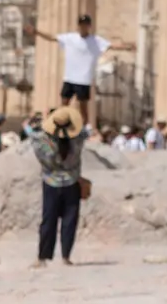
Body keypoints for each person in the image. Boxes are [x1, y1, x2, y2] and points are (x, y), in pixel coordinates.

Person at [30, 103, 86, 266]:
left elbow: (34, 135)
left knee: (48, 219)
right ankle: (66, 256)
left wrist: (44, 119)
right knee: (70, 220)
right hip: (71, 182)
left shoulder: (43, 142)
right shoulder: (77, 140)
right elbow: (81, 131)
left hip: (50, 182)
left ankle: (43, 257)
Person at [34, 15, 108, 109]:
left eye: (85, 25)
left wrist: (125, 46)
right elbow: (52, 38)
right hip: (70, 78)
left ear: (89, 26)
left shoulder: (95, 40)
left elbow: (111, 45)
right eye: (81, 24)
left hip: (83, 79)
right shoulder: (70, 38)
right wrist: (37, 32)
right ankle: (63, 119)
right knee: (64, 104)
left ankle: (83, 120)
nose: (83, 27)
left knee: (83, 107)